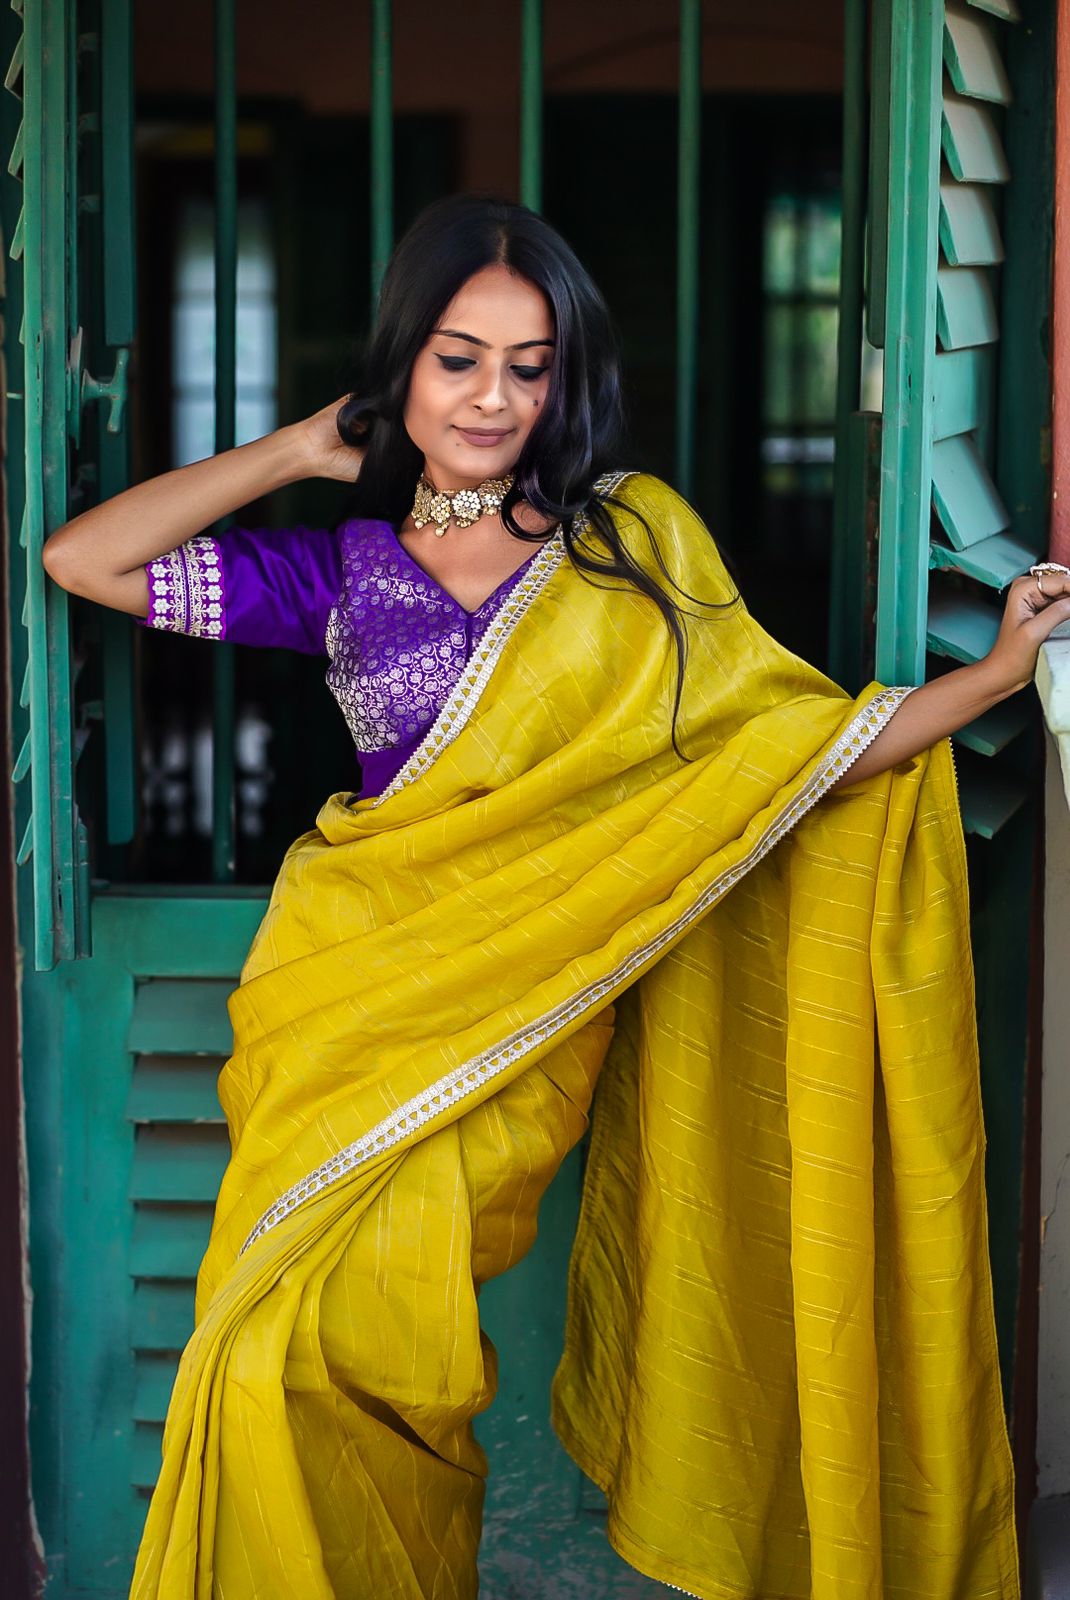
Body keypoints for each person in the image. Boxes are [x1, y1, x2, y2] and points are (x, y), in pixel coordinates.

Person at [43, 193, 1061, 1600]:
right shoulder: (343, 577)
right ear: (399, 366)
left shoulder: (629, 552)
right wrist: (292, 448)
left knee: (400, 1357)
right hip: (346, 1004)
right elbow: (83, 562)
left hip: (521, 1011)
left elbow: (771, 757)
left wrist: (988, 684)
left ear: (565, 379)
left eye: (527, 366)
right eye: (457, 358)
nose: (491, 397)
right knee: (277, 1353)